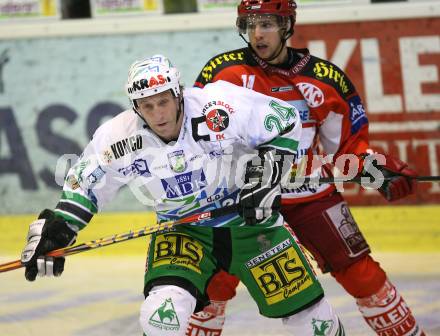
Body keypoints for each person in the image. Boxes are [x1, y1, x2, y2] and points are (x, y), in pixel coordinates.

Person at [20, 54, 346, 335]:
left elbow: (285, 120)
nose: (158, 113)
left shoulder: (219, 106)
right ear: (136, 107)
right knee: (161, 316)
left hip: (253, 226)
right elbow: (86, 184)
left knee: (313, 323)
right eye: (147, 106)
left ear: (178, 94)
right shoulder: (117, 137)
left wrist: (264, 177)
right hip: (182, 230)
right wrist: (58, 229)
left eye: (164, 101)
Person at [188, 1, 425, 336]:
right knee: (215, 283)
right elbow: (198, 137)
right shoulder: (222, 74)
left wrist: (377, 168)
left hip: (311, 196)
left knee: (362, 274)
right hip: (245, 202)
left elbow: (347, 149)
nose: (257, 34)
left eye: (267, 24)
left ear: (287, 25)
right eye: (250, 24)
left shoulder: (325, 79)